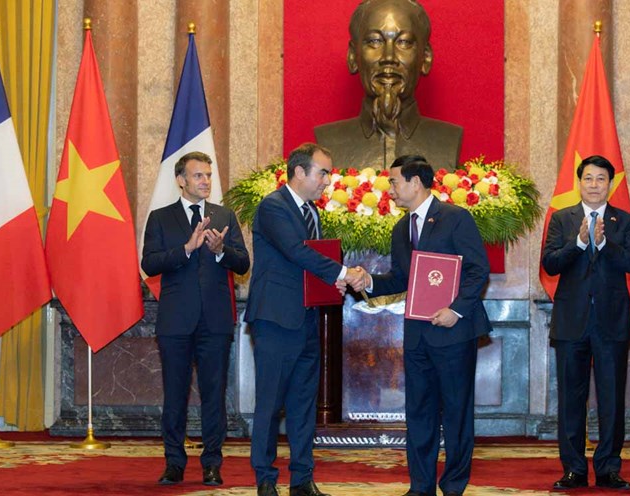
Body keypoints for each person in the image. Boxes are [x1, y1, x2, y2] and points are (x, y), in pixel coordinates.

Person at [343, 155, 491, 496]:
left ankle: (453, 485)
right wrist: (367, 283)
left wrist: (456, 309)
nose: (390, 189)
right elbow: (400, 278)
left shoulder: (456, 218)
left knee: (456, 412)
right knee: (419, 413)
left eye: (394, 182)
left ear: (415, 182)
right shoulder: (401, 227)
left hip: (454, 332)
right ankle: (420, 486)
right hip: (417, 335)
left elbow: (476, 270)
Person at [246, 143, 364, 496]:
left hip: (308, 320)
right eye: (323, 173)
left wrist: (334, 286)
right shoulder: (273, 207)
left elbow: (311, 265)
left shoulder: (312, 212)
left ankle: (302, 480)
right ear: (299, 172)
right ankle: (265, 480)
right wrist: (344, 272)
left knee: (303, 405)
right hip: (276, 321)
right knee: (270, 404)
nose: (328, 180)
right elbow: (296, 252)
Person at [142, 151, 250, 487]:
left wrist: (220, 250)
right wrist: (187, 249)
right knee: (174, 396)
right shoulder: (161, 218)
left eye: (208, 175)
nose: (205, 181)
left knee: (214, 396)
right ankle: (174, 463)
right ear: (181, 180)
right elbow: (150, 263)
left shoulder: (224, 215)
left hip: (215, 323)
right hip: (176, 322)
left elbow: (243, 263)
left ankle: (212, 464)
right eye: (198, 176)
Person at [541, 155, 630, 491]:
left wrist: (603, 243)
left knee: (612, 400)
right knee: (572, 399)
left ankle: (608, 469)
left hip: (611, 323)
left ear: (609, 184)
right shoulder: (562, 219)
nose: (595, 185)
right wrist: (581, 243)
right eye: (588, 178)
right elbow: (551, 264)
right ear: (579, 182)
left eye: (601, 179)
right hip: (572, 323)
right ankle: (573, 469)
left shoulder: (624, 221)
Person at [314, 0, 462, 170]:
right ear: (353, 56)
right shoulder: (328, 141)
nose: (388, 57)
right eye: (375, 41)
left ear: (425, 57)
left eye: (404, 42)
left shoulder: (449, 139)